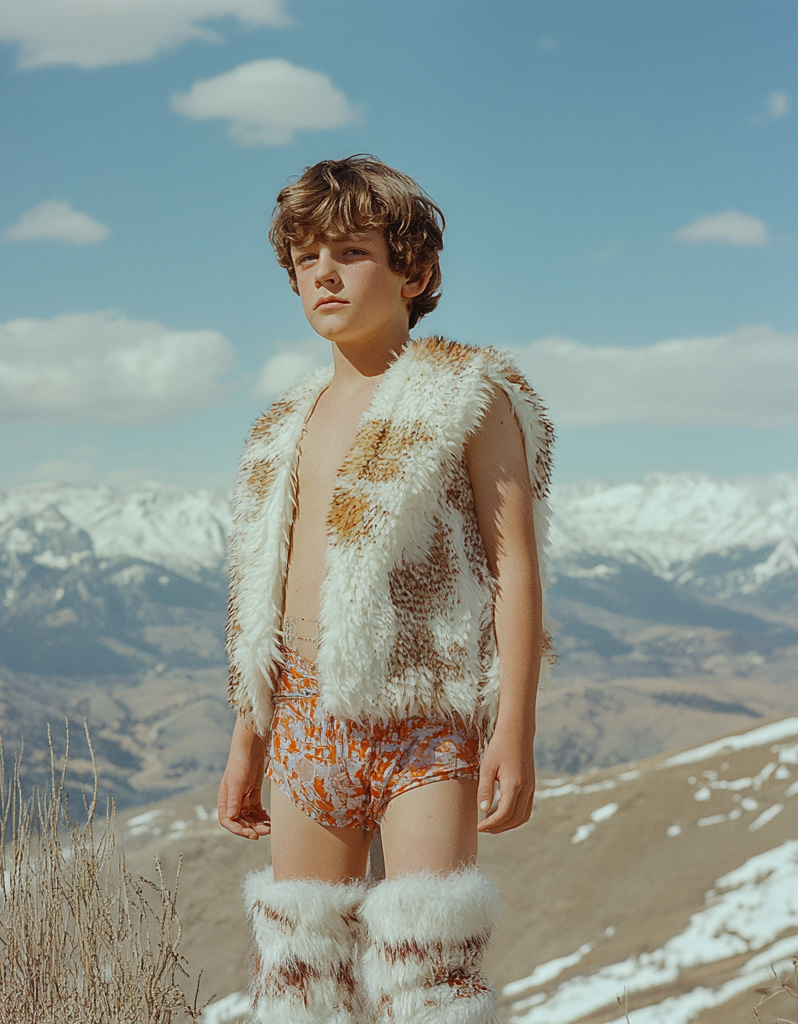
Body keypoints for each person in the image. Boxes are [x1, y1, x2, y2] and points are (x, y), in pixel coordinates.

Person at [217, 154, 554, 1024]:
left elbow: (515, 565)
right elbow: (262, 591)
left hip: (425, 719)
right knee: (301, 981)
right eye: (304, 258)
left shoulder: (466, 396)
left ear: (418, 271)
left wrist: (511, 727)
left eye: (351, 252)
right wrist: (247, 737)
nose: (322, 272)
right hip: (299, 720)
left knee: (432, 976)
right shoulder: (280, 427)